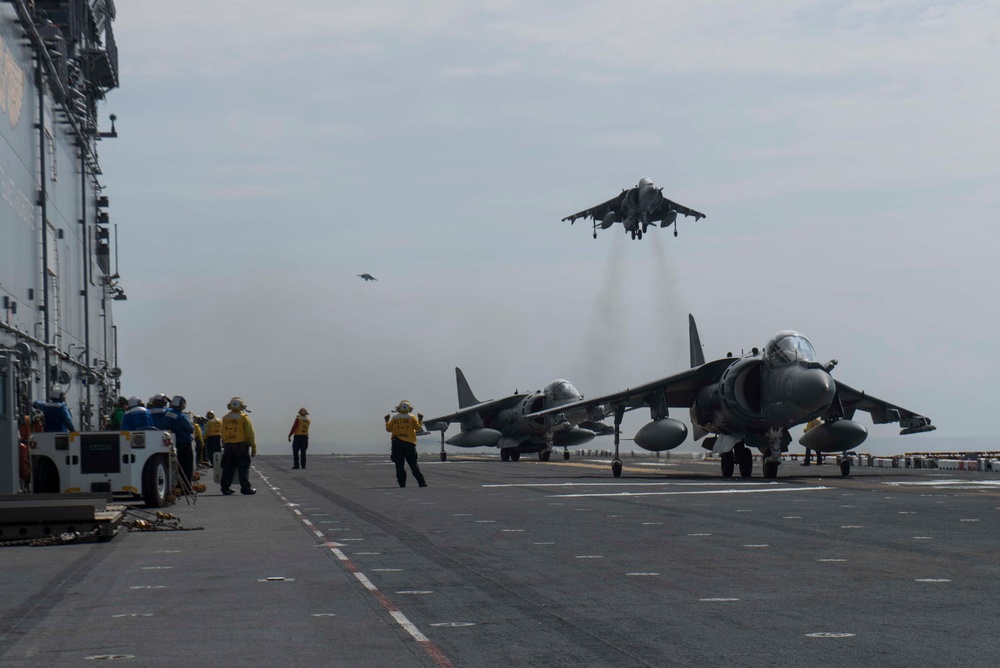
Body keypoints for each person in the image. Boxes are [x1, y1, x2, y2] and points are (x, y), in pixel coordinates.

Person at [385, 400, 426, 488]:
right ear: (409, 408)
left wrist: (386, 421)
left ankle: (402, 483)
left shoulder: (395, 418)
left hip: (397, 444)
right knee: (413, 464)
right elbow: (418, 428)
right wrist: (420, 420)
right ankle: (421, 482)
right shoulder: (412, 417)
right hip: (409, 444)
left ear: (398, 408)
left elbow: (389, 429)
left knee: (399, 464)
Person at [220, 396, 256, 495]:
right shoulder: (244, 417)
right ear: (241, 406)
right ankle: (245, 488)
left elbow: (222, 432)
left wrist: (224, 442)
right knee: (243, 468)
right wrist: (253, 446)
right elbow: (250, 433)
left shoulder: (225, 418)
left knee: (228, 468)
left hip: (228, 445)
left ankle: (225, 488)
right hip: (241, 446)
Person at [164, 396, 196, 485]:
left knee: (176, 466)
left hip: (172, 443)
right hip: (184, 444)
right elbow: (190, 429)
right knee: (187, 466)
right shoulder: (182, 417)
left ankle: (177, 484)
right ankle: (187, 485)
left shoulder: (167, 414)